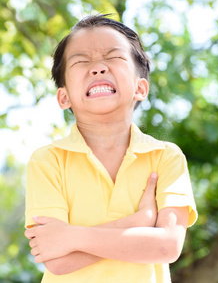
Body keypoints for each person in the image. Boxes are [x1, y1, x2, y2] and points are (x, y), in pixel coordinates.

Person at [25, 14, 198, 283]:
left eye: (113, 57)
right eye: (81, 61)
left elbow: (166, 246)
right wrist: (140, 221)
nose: (98, 68)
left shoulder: (166, 157)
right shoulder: (47, 161)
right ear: (64, 96)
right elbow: (57, 260)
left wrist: (71, 236)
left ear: (141, 88)